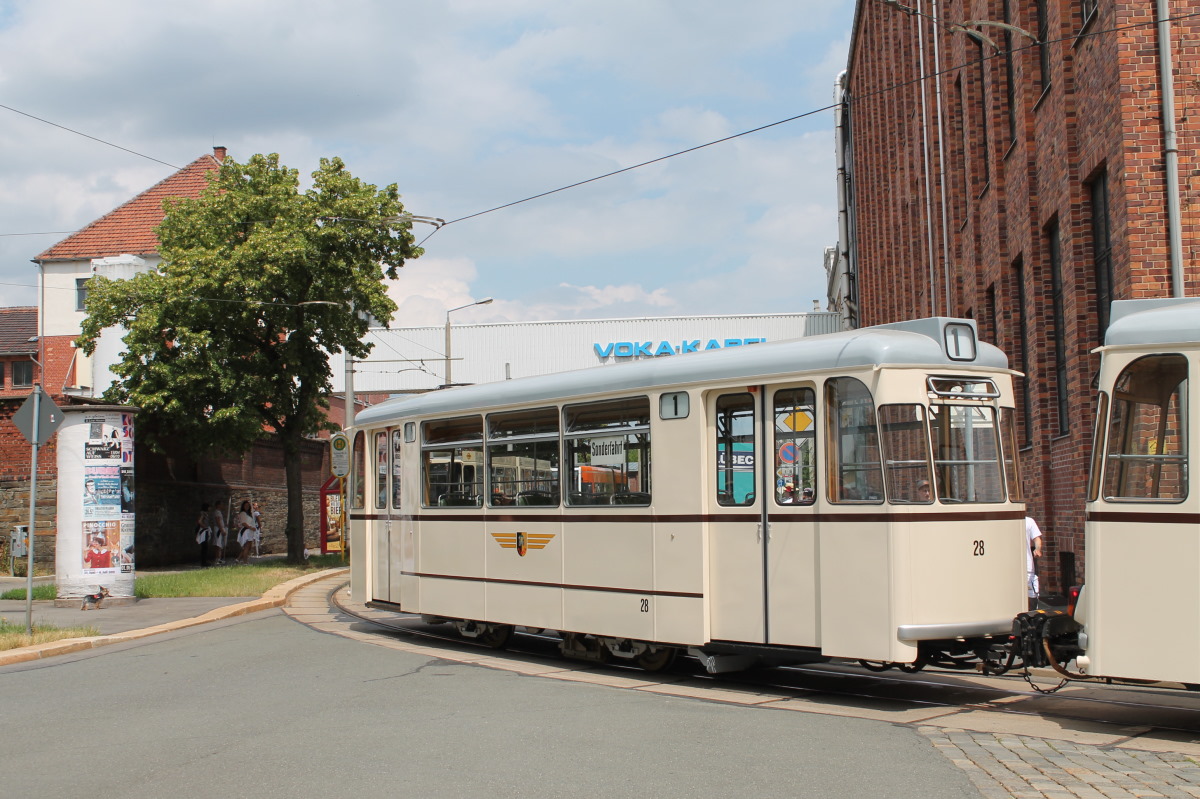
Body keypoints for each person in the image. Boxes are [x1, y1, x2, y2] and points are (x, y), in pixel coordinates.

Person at [1026, 516, 1044, 610]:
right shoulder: (1028, 521)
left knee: (1032, 596)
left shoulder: (1028, 521)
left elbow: (1037, 539)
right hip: (1027, 567)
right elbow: (1037, 539)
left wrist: (1037, 549)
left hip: (1027, 567)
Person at [211, 499, 228, 565]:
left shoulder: (219, 512)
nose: (222, 506)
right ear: (218, 505)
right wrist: (222, 529)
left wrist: (224, 526)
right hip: (218, 530)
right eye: (221, 504)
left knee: (220, 544)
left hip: (220, 529)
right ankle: (217, 559)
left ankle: (219, 558)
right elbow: (218, 521)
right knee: (218, 544)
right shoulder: (217, 512)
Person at [196, 502, 212, 567]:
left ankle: (204, 561)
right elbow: (199, 521)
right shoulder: (203, 513)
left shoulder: (205, 514)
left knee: (205, 547)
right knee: (204, 547)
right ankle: (203, 562)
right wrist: (204, 526)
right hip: (203, 531)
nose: (210, 508)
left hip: (205, 531)